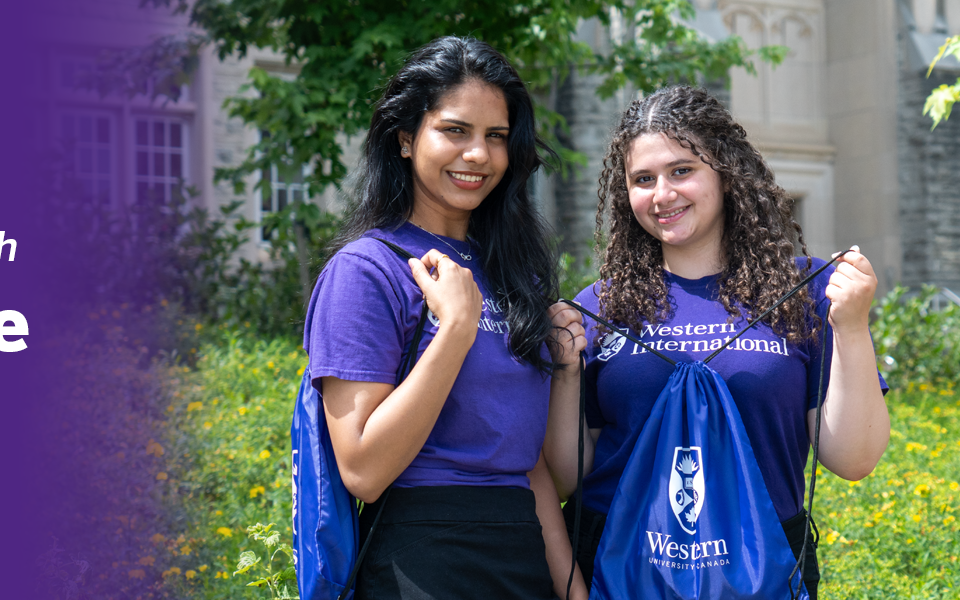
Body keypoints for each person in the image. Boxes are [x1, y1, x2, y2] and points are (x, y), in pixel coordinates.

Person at [542, 86, 891, 599]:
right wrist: (567, 371)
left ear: (726, 174)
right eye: (643, 179)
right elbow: (568, 477)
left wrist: (853, 326)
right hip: (618, 571)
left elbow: (853, 458)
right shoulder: (599, 306)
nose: (662, 194)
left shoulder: (806, 291)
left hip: (762, 570)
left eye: (682, 170)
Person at [304, 36, 586, 600]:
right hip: (422, 561)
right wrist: (454, 330)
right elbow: (362, 468)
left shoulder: (514, 275)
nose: (479, 154)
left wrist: (573, 590)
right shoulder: (367, 271)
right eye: (455, 131)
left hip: (521, 552)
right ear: (406, 139)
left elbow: (525, 463)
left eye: (496, 137)